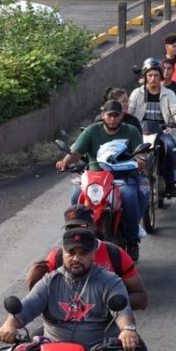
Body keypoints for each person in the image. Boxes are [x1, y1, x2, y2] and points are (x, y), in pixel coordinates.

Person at [0, 229, 140, 351]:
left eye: (83, 253)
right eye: (71, 253)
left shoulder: (109, 281)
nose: (76, 258)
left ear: (93, 254)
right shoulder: (50, 281)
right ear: (62, 252)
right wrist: (9, 325)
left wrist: (127, 330)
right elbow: (26, 307)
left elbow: (123, 311)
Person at [25, 205, 150, 351]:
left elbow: (134, 301)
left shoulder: (113, 260)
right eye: (70, 228)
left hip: (102, 337)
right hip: (59, 335)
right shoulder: (55, 262)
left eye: (83, 252)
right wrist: (11, 323)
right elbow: (32, 299)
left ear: (94, 226)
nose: (76, 257)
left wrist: (124, 324)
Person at [55, 100, 146, 260]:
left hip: (122, 177)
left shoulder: (131, 131)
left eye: (116, 115)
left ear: (122, 116)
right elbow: (76, 152)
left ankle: (132, 240)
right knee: (76, 197)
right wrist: (65, 162)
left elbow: (141, 154)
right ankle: (73, 234)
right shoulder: (91, 131)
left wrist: (140, 161)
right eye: (109, 115)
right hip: (94, 178)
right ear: (103, 115)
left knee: (129, 197)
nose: (112, 119)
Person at [128, 58, 176, 199]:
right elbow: (129, 110)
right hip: (141, 130)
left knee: (170, 147)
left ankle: (170, 183)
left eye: (156, 75)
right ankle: (129, 178)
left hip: (162, 130)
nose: (153, 79)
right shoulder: (137, 93)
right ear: (145, 77)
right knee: (128, 149)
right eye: (150, 75)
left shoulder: (169, 93)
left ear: (161, 77)